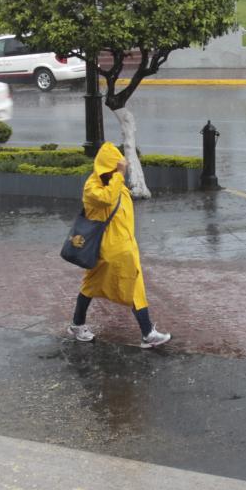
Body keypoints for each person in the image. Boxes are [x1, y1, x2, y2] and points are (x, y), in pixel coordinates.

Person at [68, 142, 171, 348]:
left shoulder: (116, 185)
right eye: (117, 166)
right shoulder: (93, 187)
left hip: (123, 248)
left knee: (99, 286)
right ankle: (147, 333)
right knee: (124, 287)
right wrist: (118, 175)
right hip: (109, 251)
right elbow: (106, 199)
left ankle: (78, 324)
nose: (120, 170)